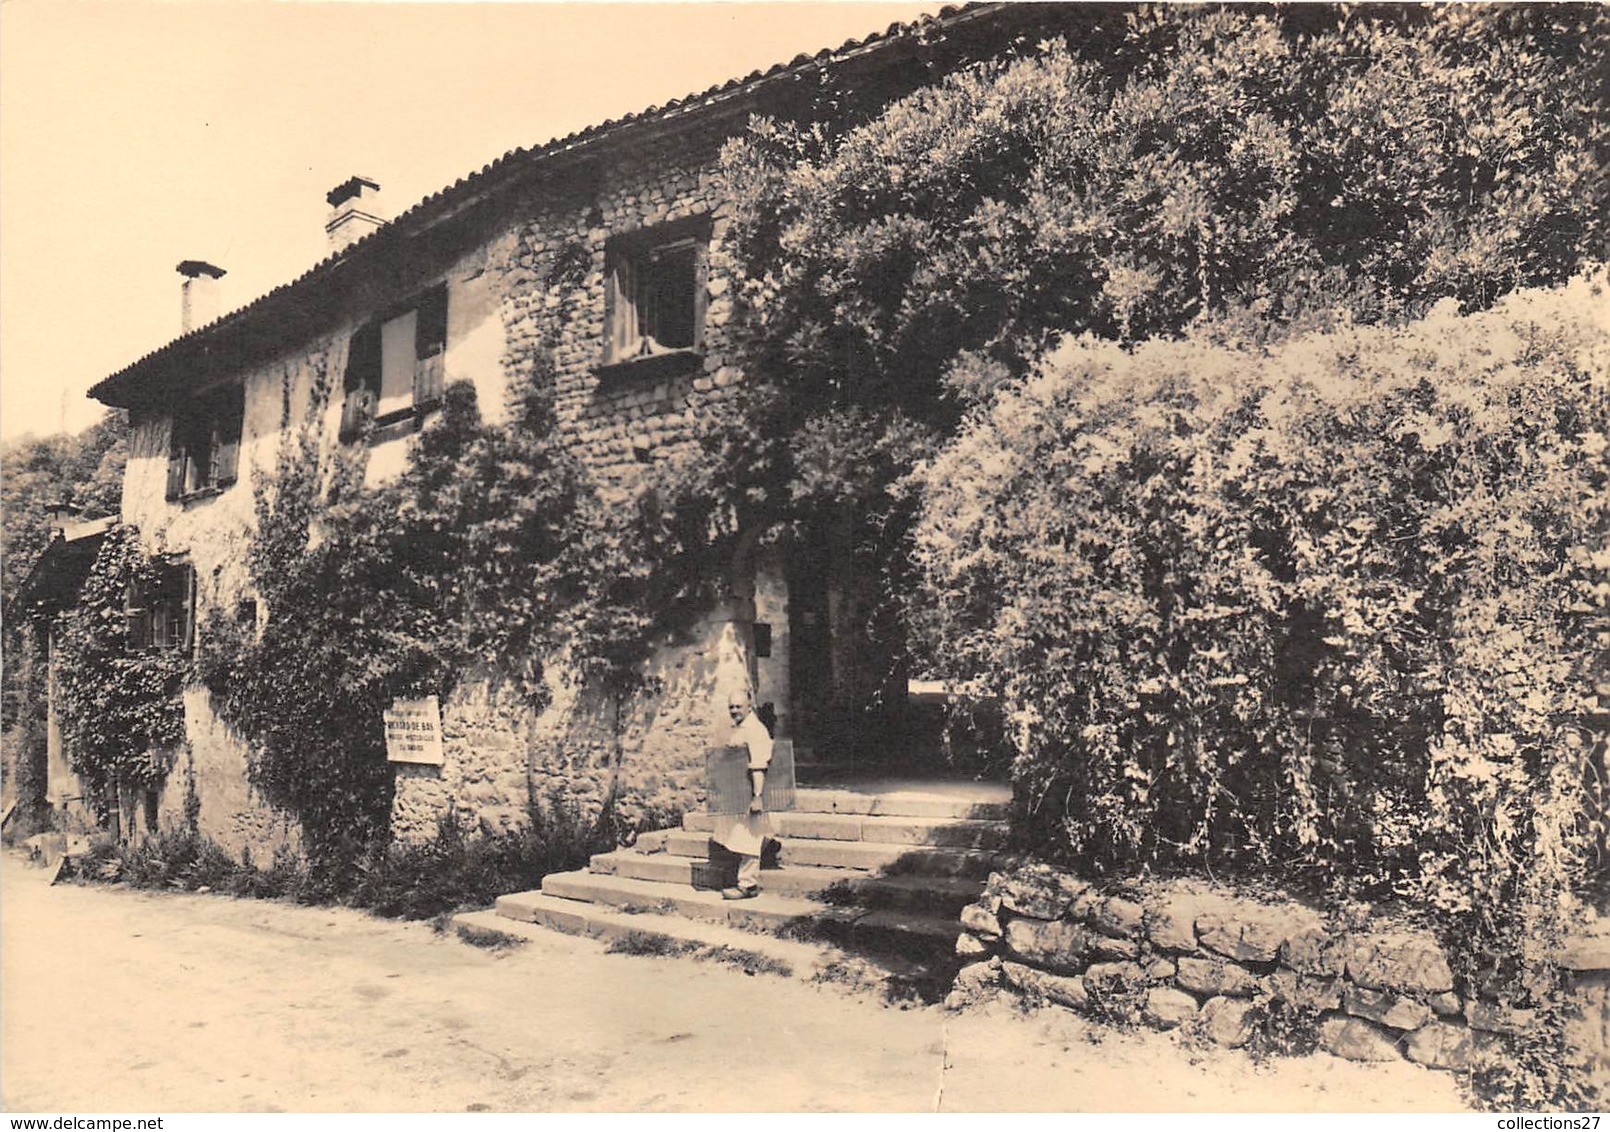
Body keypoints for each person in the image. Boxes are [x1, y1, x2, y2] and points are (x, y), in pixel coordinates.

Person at [712, 688, 773, 900]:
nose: (734, 710)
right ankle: (768, 846)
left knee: (747, 836)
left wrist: (757, 796)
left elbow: (758, 765)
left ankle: (748, 885)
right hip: (737, 792)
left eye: (738, 706)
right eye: (731, 707)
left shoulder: (755, 730)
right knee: (736, 832)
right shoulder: (738, 728)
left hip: (750, 791)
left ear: (749, 707)